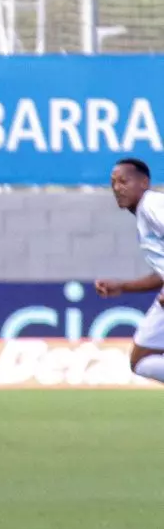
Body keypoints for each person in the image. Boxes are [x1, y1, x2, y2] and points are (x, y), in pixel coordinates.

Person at [95, 158, 164, 383]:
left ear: (144, 183)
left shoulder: (153, 204)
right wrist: (123, 286)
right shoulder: (145, 214)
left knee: (143, 360)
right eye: (113, 183)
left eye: (124, 181)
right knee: (142, 361)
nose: (117, 188)